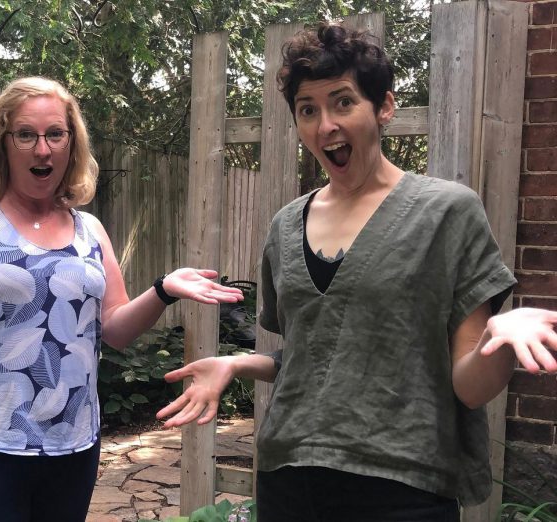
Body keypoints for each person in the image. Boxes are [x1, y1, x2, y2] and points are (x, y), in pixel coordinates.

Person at [155, 23, 545, 521]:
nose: (325, 126)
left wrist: (499, 337)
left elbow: (469, 386)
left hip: (401, 489)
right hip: (288, 480)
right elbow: (315, 354)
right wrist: (235, 364)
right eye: (308, 110)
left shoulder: (448, 213)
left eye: (343, 102)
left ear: (383, 106)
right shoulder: (285, 226)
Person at [0, 76, 243, 522]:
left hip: (70, 443)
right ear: (3, 143)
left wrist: (163, 290)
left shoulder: (90, 231)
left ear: (71, 145)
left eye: (55, 134)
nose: (42, 149)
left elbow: (115, 329)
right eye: (26, 134)